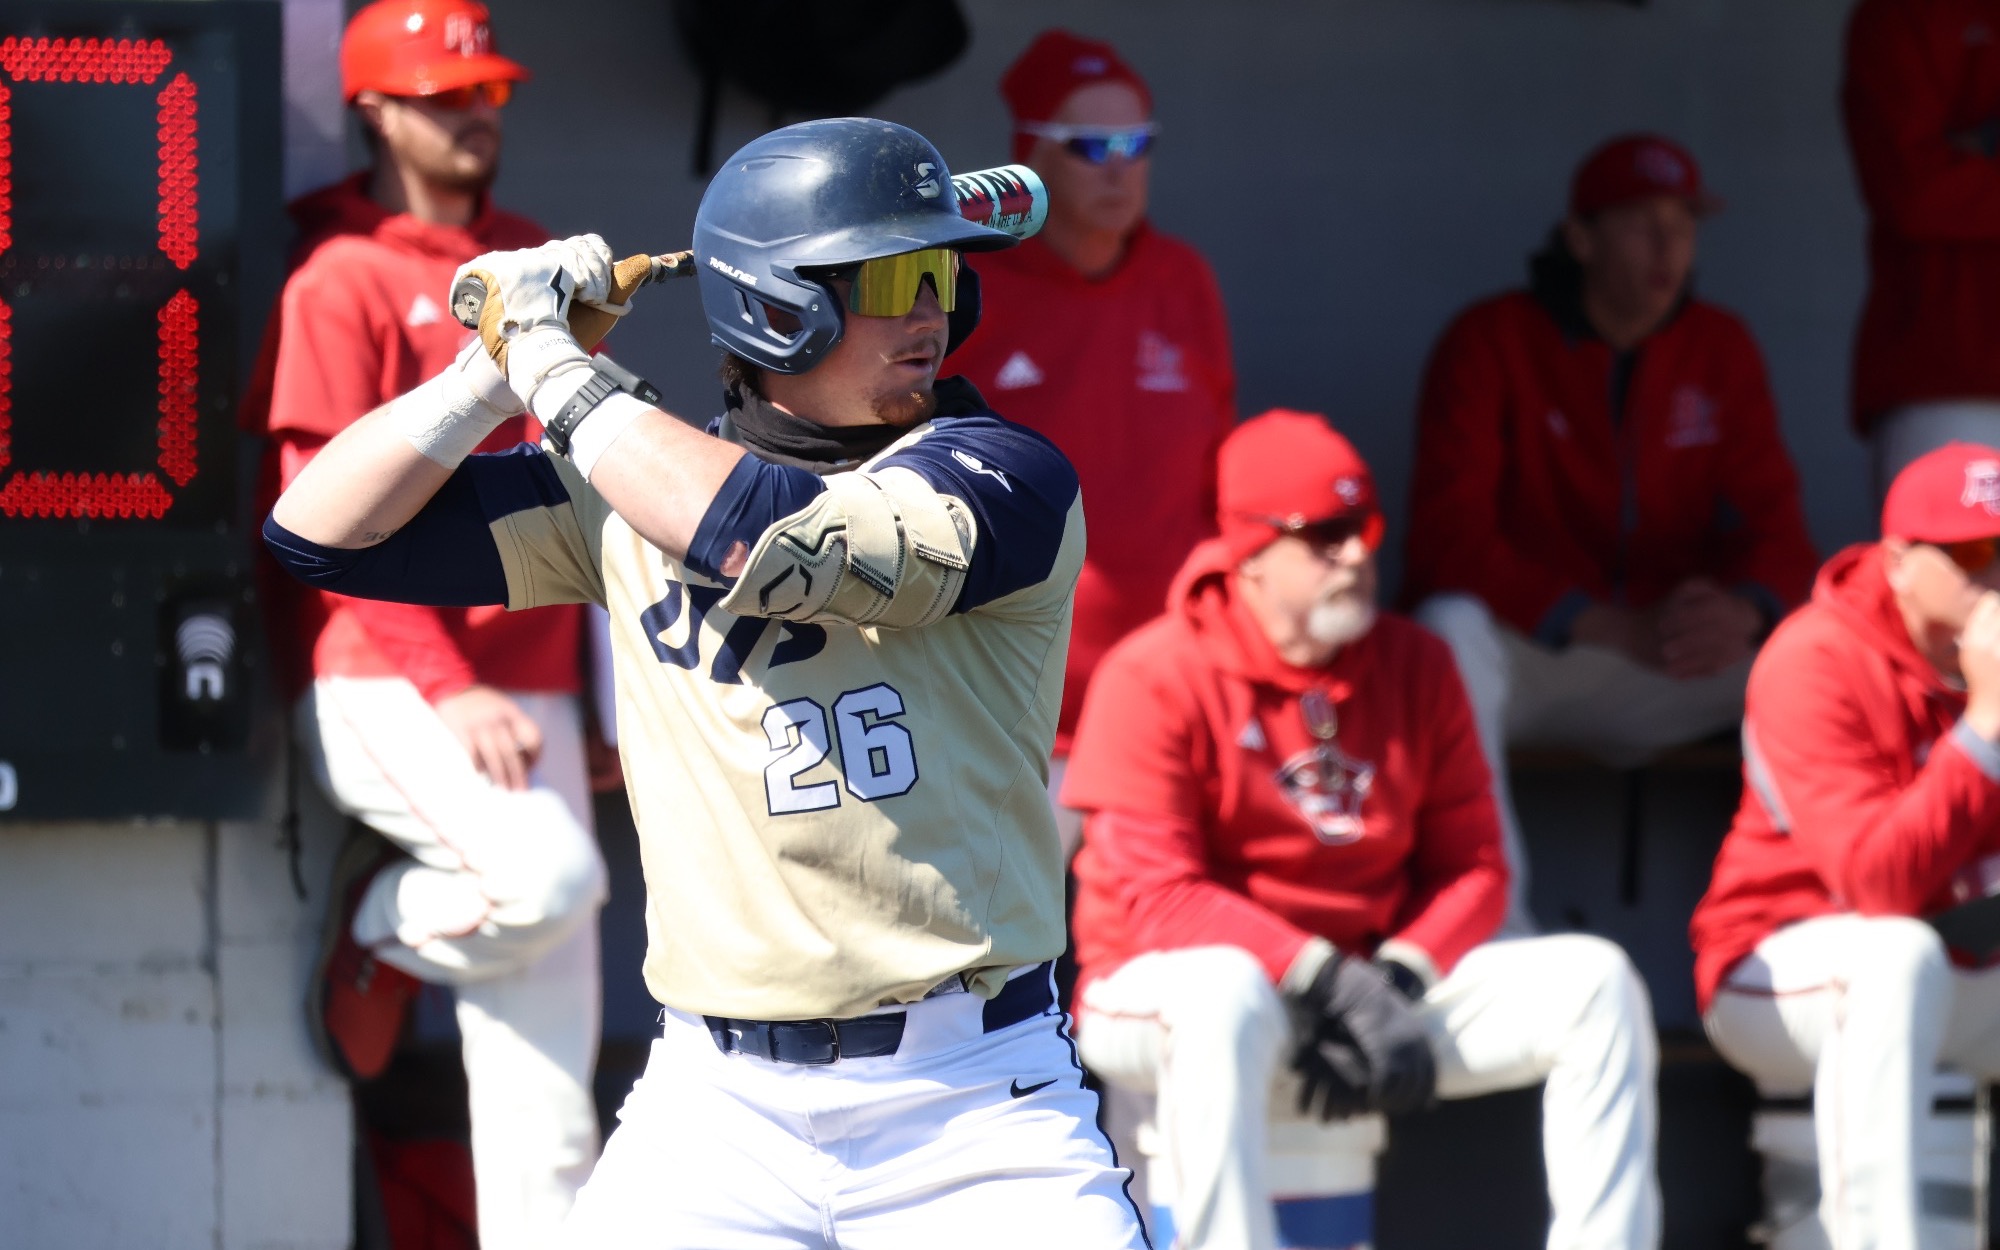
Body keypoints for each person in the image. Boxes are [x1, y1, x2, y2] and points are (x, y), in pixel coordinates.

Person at [263, 117, 1149, 1247]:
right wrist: (483, 376)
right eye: (891, 278)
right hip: (715, 1108)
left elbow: (759, 536)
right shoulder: (625, 493)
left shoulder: (1006, 473)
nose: (930, 311)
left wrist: (554, 366)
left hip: (969, 1103)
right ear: (775, 308)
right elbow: (319, 535)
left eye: (940, 271)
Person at [1064, 409, 1661, 1250]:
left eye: (1364, 529)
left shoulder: (1417, 663)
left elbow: (1478, 868)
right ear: (1249, 552)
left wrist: (1398, 979)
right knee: (1223, 997)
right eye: (1324, 535)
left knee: (1596, 984)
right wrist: (1325, 980)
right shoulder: (1156, 672)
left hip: (1373, 979)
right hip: (1174, 986)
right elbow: (1162, 900)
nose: (1355, 555)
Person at [246, 2, 605, 1244]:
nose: (471, 114)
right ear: (375, 112)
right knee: (548, 879)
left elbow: (592, 481)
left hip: (531, 678)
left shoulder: (536, 262)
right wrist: (446, 683)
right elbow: (315, 521)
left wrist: (606, 696)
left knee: (551, 1100)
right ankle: (378, 929)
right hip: (387, 675)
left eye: (486, 91)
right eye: (442, 95)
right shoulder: (338, 272)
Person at [1405, 132, 1819, 929]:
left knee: (1813, 648)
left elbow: (1779, 530)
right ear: (1581, 238)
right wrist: (1600, 623)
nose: (1668, 247)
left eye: (1683, 225)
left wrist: (1744, 610)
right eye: (1641, 224)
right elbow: (1447, 541)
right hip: (1543, 658)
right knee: (1446, 629)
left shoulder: (1718, 348)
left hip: (1671, 656)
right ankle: (1492, 935)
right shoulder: (1492, 340)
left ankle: (1801, 942)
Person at [1692, 441, 2000, 1249]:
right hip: (1777, 963)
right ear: (1899, 562)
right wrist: (1986, 725)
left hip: (1955, 959)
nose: (1998, 576)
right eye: (1975, 555)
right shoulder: (1814, 657)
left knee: (1909, 961)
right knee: (1894, 957)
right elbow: (1879, 886)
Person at [946, 29, 1236, 854]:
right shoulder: (966, 287)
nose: (1120, 168)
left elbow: (1218, 476)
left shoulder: (1183, 280)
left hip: (1173, 709)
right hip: (1012, 714)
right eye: (1091, 147)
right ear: (1030, 156)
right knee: (1004, 926)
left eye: (1137, 145)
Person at [1842, 0, 2000, 496]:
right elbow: (1915, 192)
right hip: (1952, 377)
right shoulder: (1902, 13)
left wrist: (1981, 148)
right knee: (1951, 552)